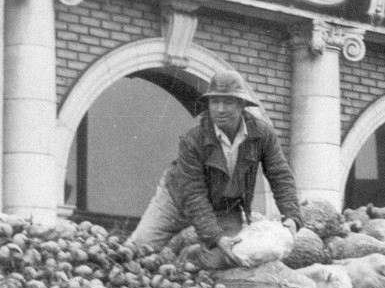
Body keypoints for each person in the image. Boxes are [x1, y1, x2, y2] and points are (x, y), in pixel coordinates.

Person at [126, 69, 303, 266]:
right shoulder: (193, 140)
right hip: (177, 199)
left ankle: (190, 255)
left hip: (225, 207)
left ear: (242, 105)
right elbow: (193, 195)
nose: (220, 109)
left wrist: (292, 216)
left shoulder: (263, 135)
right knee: (138, 248)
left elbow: (280, 175)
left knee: (224, 260)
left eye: (228, 102)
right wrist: (216, 238)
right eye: (215, 102)